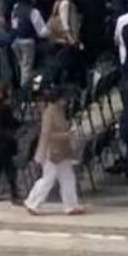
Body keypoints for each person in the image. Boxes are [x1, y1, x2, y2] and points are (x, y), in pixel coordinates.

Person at [25, 83, 85, 215]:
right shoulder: (50, 113)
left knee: (67, 177)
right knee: (49, 178)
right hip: (51, 151)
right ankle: (32, 202)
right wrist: (67, 135)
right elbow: (47, 134)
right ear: (58, 99)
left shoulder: (58, 111)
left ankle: (71, 204)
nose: (66, 101)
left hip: (60, 150)